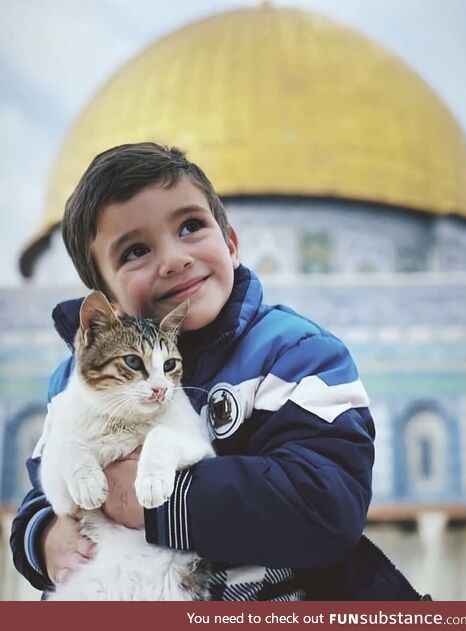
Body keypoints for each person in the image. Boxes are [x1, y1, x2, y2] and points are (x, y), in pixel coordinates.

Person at [11, 143, 422, 600]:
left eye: (190, 226)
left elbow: (326, 505)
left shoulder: (294, 355)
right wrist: (43, 535)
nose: (173, 259)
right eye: (135, 251)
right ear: (104, 296)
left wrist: (162, 505)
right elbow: (41, 489)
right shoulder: (74, 381)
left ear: (230, 242)